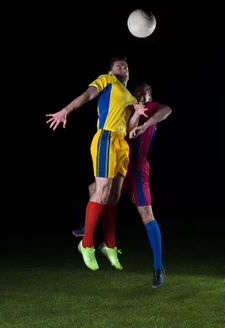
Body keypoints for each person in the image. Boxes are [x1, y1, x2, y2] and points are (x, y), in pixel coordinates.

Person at [45, 57, 148, 272]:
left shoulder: (130, 97)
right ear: (111, 70)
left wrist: (137, 114)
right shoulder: (107, 80)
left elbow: (129, 128)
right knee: (101, 191)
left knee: (114, 196)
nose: (124, 68)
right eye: (119, 65)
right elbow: (87, 95)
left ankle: (109, 246)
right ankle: (87, 244)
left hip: (122, 144)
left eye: (127, 66)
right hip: (106, 139)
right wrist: (66, 110)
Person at [72, 82, 172, 288]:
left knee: (146, 214)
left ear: (149, 97)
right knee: (95, 190)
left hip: (136, 169)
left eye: (143, 93)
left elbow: (167, 110)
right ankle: (89, 231)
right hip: (120, 163)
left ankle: (158, 267)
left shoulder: (152, 109)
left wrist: (145, 124)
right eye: (136, 92)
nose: (139, 95)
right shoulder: (128, 108)